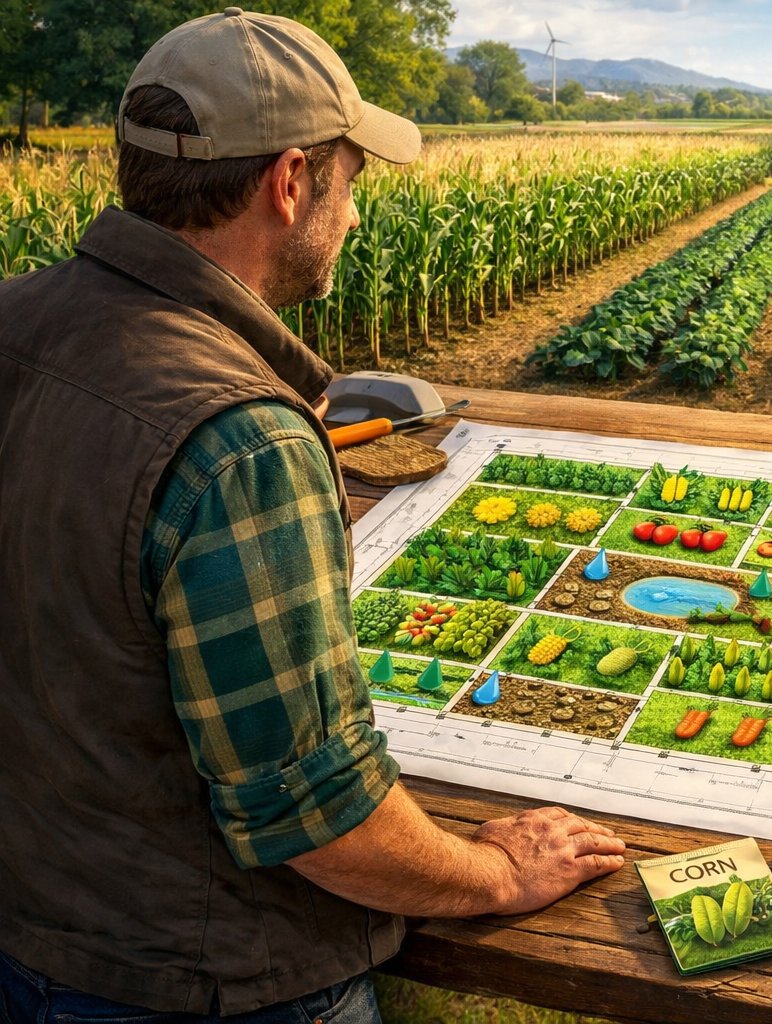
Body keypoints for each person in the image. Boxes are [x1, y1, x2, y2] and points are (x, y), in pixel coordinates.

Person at [0, 9, 625, 1021]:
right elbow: (314, 812)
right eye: (350, 183)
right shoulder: (236, 440)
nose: (355, 217)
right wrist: (494, 872)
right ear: (291, 185)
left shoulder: (13, 319)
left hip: (34, 926)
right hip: (201, 977)